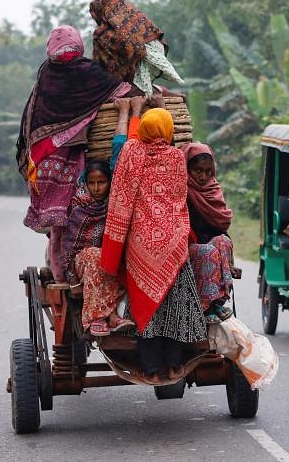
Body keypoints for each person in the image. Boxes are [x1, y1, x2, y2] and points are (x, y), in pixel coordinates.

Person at [101, 107, 207, 383]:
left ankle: (149, 368)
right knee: (173, 305)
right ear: (168, 130)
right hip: (173, 241)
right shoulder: (175, 157)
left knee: (144, 307)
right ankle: (174, 366)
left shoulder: (131, 152)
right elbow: (179, 198)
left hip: (140, 245)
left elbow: (121, 197)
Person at [16, 24, 127, 282]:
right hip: (67, 163)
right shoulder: (88, 73)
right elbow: (120, 88)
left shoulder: (45, 74)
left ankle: (62, 274)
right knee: (76, 218)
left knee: (58, 227)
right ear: (79, 45)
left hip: (41, 162)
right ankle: (71, 271)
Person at [61, 97, 144, 337]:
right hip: (83, 262)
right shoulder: (78, 203)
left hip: (112, 258)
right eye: (92, 183)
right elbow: (68, 247)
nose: (97, 188)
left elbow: (120, 154)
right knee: (96, 255)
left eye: (102, 182)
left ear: (110, 182)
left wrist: (128, 112)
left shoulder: (116, 200)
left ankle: (120, 316)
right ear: (85, 182)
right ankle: (103, 317)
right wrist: (72, 280)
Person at [182, 142, 235, 322]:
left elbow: (221, 223)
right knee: (208, 252)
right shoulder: (181, 188)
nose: (203, 176)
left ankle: (218, 301)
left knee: (223, 242)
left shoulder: (213, 189)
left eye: (207, 171)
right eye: (198, 170)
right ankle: (207, 307)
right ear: (186, 167)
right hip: (185, 247)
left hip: (207, 242)